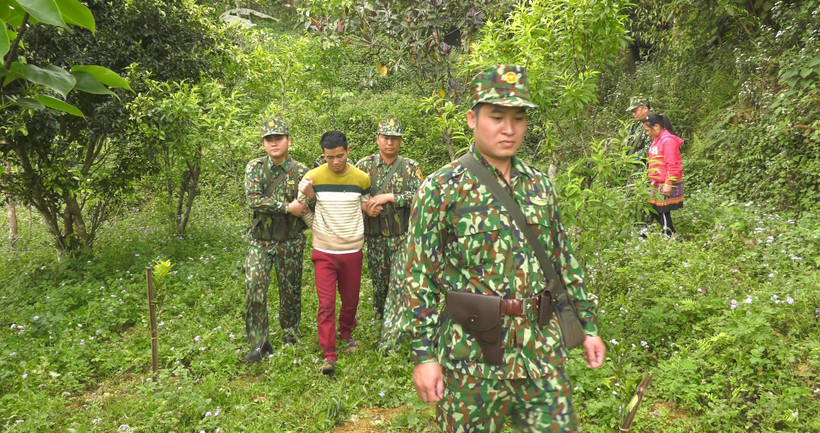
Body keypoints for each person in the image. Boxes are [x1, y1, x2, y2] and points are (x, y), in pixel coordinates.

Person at [405, 65, 605, 432]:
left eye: (518, 118)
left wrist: (588, 325)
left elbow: (563, 259)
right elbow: (420, 278)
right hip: (472, 359)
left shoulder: (540, 186)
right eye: (496, 117)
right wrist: (423, 355)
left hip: (541, 351)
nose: (509, 129)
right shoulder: (440, 188)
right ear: (472, 118)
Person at [298, 131, 371, 375]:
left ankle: (347, 332)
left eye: (339, 156)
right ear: (323, 155)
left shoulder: (361, 178)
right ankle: (329, 354)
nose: (335, 162)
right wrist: (315, 222)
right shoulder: (312, 177)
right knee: (326, 304)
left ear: (348, 151)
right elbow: (300, 207)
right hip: (324, 252)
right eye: (329, 157)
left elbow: (365, 204)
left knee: (350, 301)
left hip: (352, 250)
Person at [242, 118, 310, 362]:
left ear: (288, 141)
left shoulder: (301, 171)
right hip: (261, 241)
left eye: (278, 138)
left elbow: (308, 203)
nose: (274, 143)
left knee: (290, 289)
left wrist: (304, 202)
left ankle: (291, 333)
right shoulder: (255, 167)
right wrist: (285, 207)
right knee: (254, 288)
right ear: (263, 143)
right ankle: (259, 342)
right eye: (269, 139)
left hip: (290, 240)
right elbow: (253, 199)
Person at [355, 118, 424, 347]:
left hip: (401, 237)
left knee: (398, 284)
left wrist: (391, 197)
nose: (390, 142)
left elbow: (421, 197)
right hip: (375, 237)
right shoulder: (364, 166)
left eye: (395, 138)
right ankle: (381, 320)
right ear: (378, 139)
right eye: (386, 137)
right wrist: (366, 207)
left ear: (401, 141)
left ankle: (391, 338)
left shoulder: (410, 167)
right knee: (380, 283)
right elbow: (353, 195)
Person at [643, 113, 684, 240]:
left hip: (666, 182)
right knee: (652, 208)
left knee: (663, 211)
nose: (647, 133)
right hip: (657, 182)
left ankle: (668, 238)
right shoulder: (656, 140)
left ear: (656, 127)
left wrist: (668, 183)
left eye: (648, 130)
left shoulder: (668, 141)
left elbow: (672, 164)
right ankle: (674, 235)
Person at [625, 96, 652, 161]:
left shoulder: (653, 124)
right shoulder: (638, 123)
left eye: (635, 111)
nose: (633, 114)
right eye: (632, 112)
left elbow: (651, 149)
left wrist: (631, 158)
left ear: (645, 109)